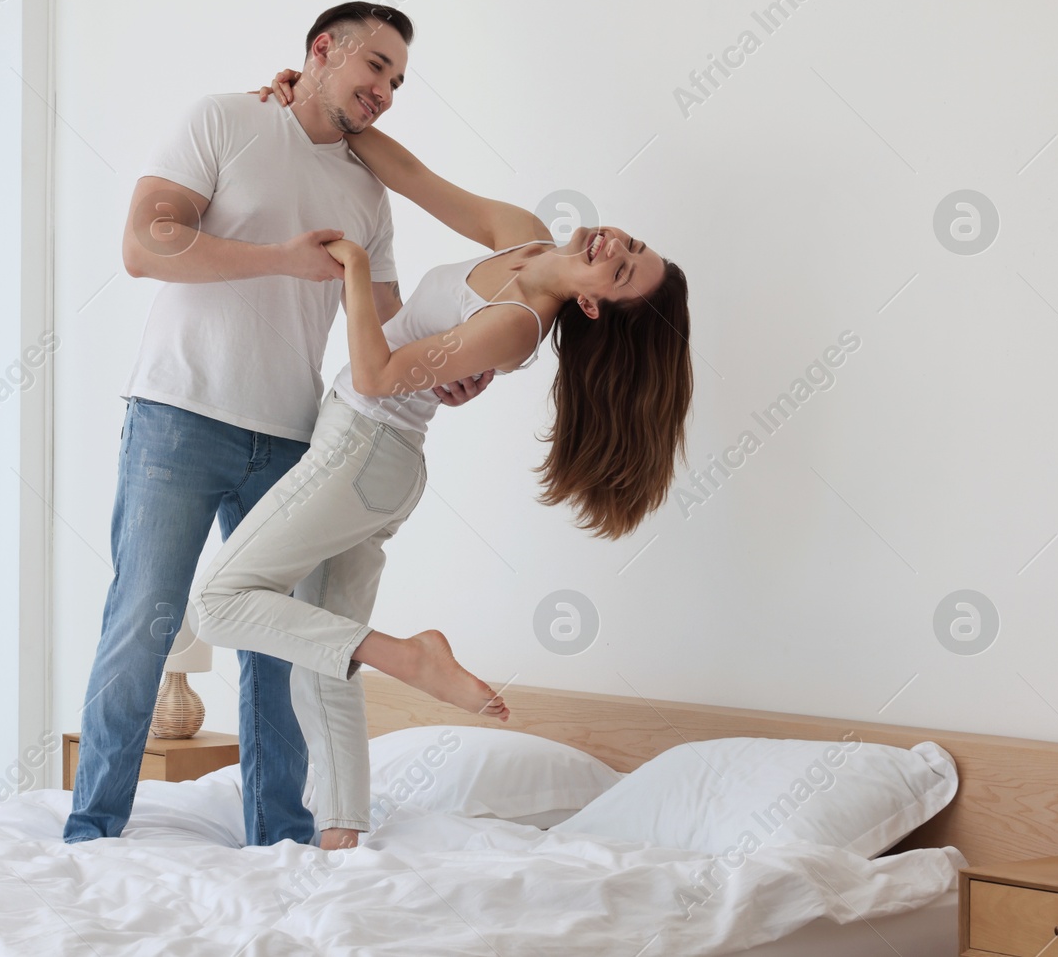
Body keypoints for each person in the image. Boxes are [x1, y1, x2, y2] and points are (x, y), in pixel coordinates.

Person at [188, 90, 695, 851]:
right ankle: (342, 839)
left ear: (592, 308)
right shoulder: (523, 237)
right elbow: (412, 173)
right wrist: (322, 101)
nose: (614, 247)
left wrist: (356, 266)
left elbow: (375, 372)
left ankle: (409, 656)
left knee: (220, 603)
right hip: (371, 462)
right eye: (633, 246)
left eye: (619, 272)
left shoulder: (520, 324)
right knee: (322, 663)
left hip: (361, 454)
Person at [64, 3, 497, 847]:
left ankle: (281, 842)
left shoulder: (367, 190)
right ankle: (91, 834)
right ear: (320, 51)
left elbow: (388, 322)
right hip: (177, 415)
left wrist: (440, 372)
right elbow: (145, 246)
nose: (386, 90)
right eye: (375, 66)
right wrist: (283, 259)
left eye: (399, 80)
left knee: (281, 646)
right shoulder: (224, 119)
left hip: (297, 434)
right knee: (143, 619)